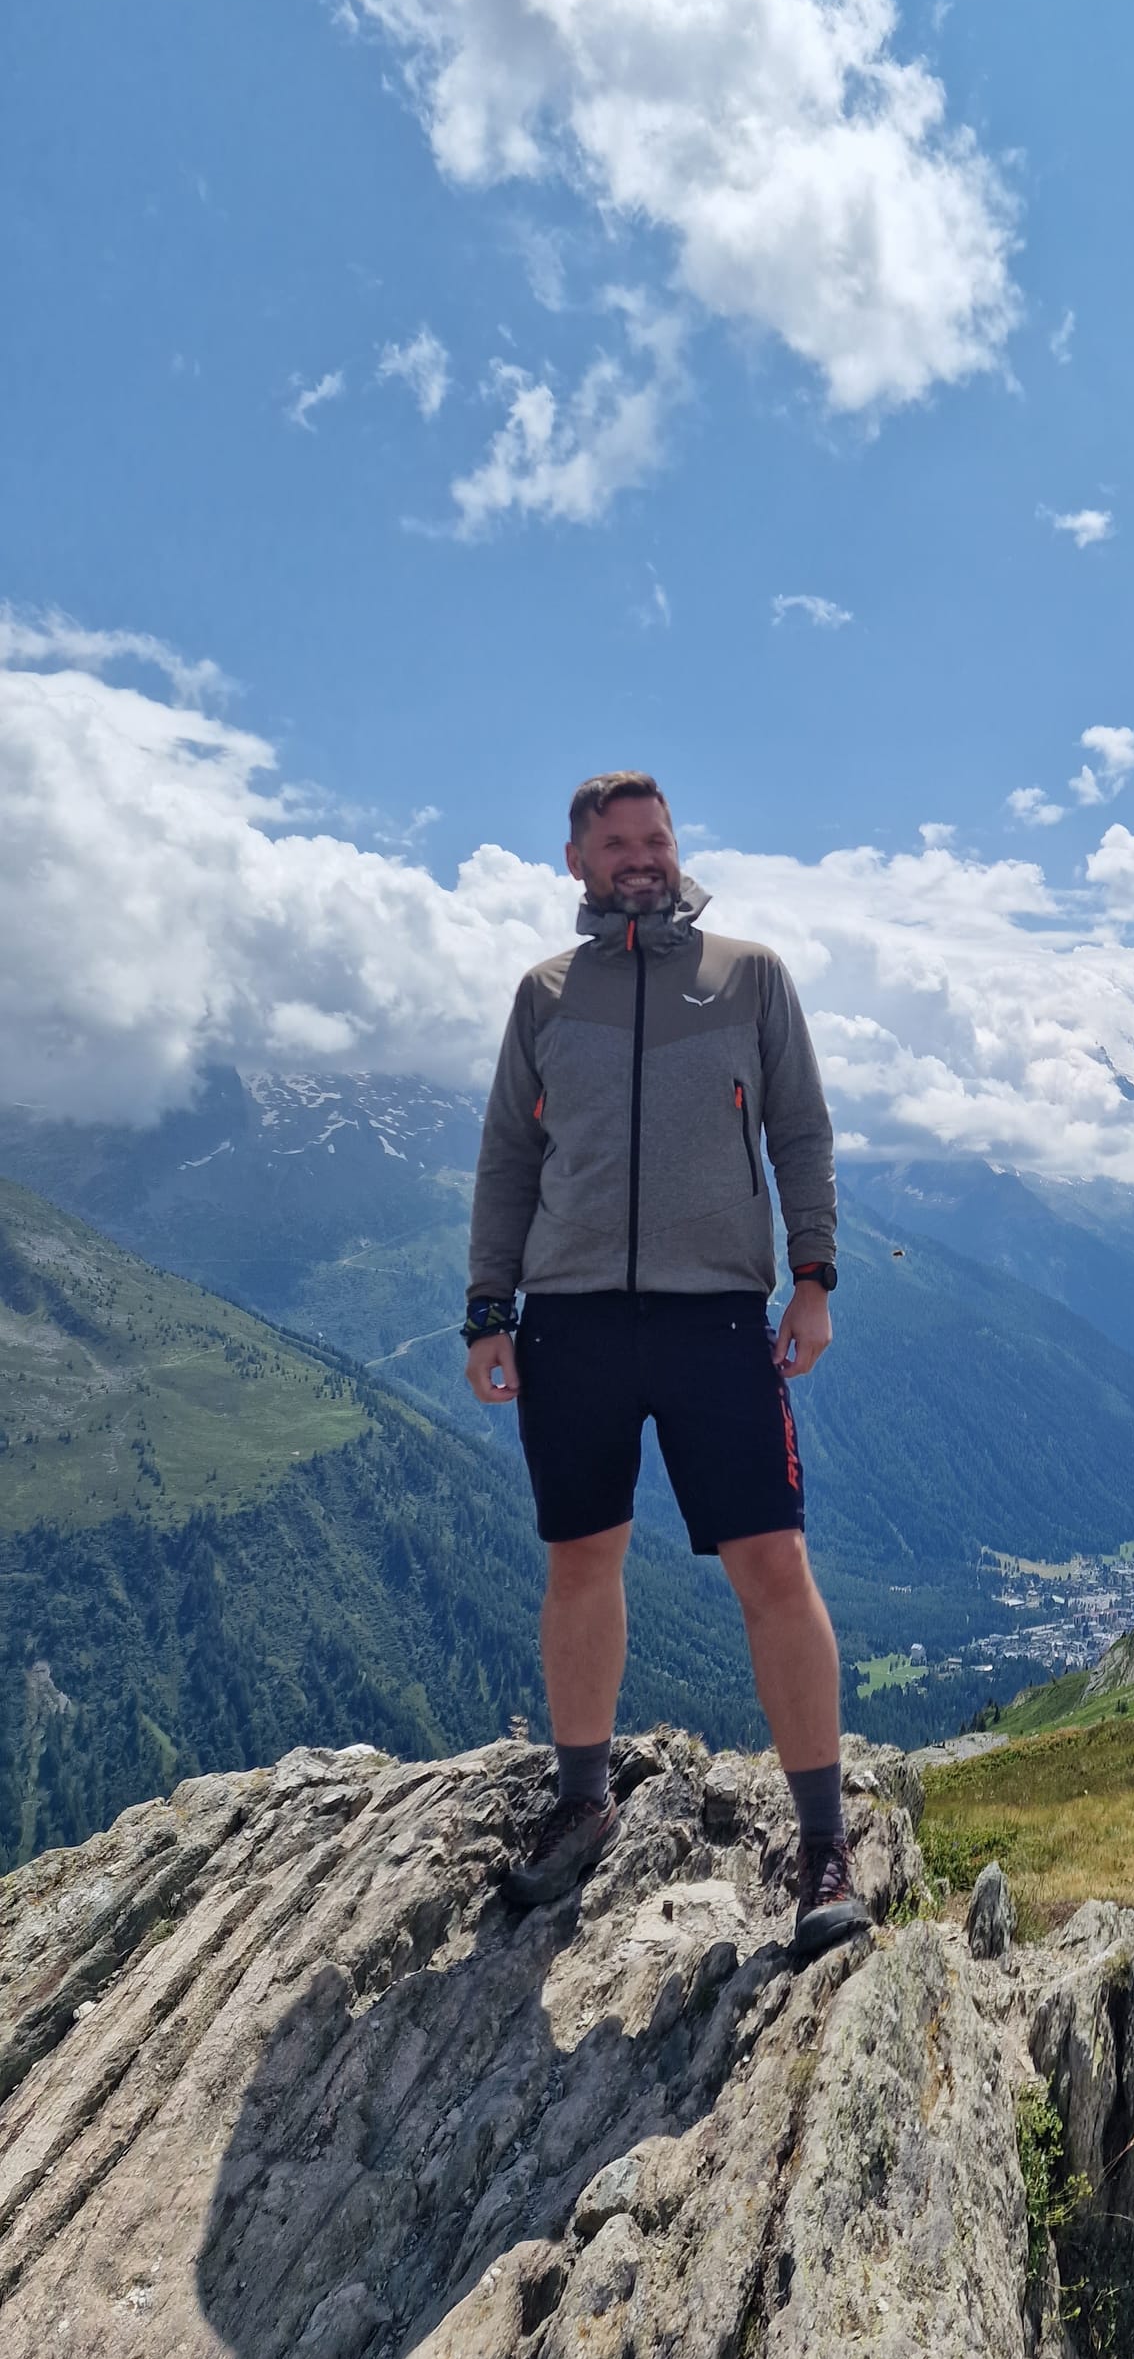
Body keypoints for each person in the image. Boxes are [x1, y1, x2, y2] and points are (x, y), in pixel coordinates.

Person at [462, 771, 867, 1957]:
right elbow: (507, 1160)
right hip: (570, 1319)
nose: (642, 857)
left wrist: (814, 1276)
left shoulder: (748, 977)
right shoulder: (546, 995)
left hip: (714, 1319)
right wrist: (488, 1309)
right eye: (618, 843)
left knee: (773, 1566)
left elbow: (799, 1131)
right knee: (579, 1561)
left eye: (657, 838)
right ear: (578, 862)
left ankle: (823, 1844)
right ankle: (583, 1803)